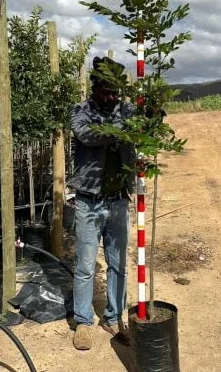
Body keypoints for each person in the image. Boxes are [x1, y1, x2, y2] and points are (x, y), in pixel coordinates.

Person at [69, 56, 136, 350]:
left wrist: (153, 113)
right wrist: (121, 128)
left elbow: (144, 123)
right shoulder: (81, 111)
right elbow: (86, 134)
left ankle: (113, 316)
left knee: (118, 264)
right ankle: (82, 322)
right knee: (85, 265)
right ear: (95, 88)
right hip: (88, 201)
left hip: (118, 200)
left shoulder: (125, 110)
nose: (112, 98)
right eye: (106, 92)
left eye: (116, 93)